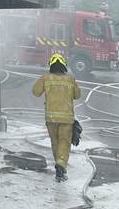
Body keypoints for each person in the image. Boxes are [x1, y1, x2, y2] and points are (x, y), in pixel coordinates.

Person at [31, 53, 81, 182]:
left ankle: (59, 164)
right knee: (64, 142)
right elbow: (77, 95)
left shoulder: (45, 78)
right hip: (66, 119)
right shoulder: (70, 79)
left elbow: (35, 92)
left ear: (51, 65)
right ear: (64, 66)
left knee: (55, 142)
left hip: (51, 118)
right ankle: (61, 164)